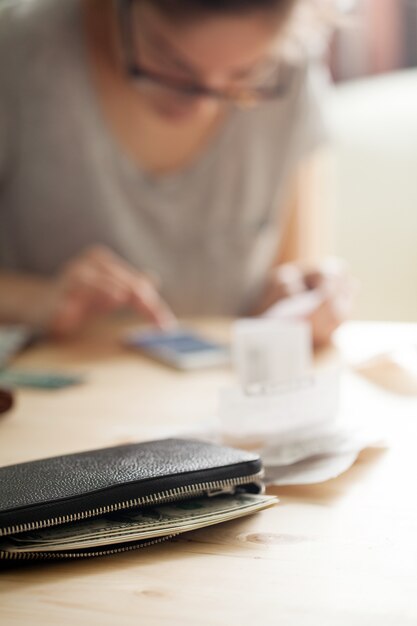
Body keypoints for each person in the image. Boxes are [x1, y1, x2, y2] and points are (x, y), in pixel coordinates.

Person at [0, 0, 352, 345]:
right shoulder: (19, 48)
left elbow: (292, 266)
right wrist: (37, 300)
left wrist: (301, 297)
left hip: (222, 389)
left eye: (243, 75)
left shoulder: (289, 64)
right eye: (172, 64)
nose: (203, 105)